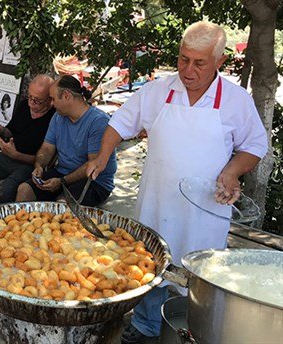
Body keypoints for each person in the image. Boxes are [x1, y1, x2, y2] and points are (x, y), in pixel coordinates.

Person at [86, 22, 268, 343]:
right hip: (157, 201)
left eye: (199, 62)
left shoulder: (235, 101)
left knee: (195, 275)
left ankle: (186, 330)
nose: (188, 69)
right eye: (184, 59)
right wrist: (103, 155)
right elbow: (121, 123)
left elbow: (254, 146)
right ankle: (143, 325)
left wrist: (232, 171)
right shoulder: (158, 91)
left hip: (204, 211)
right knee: (150, 264)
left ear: (219, 62)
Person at [16, 75, 117, 205]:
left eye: (53, 98)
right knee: (24, 189)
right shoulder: (58, 117)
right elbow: (46, 148)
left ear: (66, 95)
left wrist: (62, 181)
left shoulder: (99, 122)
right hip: (62, 174)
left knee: (62, 205)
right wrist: (39, 166)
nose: (51, 103)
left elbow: (93, 165)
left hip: (95, 181)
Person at [0, 75, 55, 204]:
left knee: (5, 192)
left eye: (38, 100)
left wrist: (16, 155)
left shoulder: (55, 118)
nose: (31, 102)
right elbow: (11, 132)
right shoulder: (24, 106)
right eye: (30, 97)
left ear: (50, 100)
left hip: (30, 165)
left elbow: (47, 160)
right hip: (8, 157)